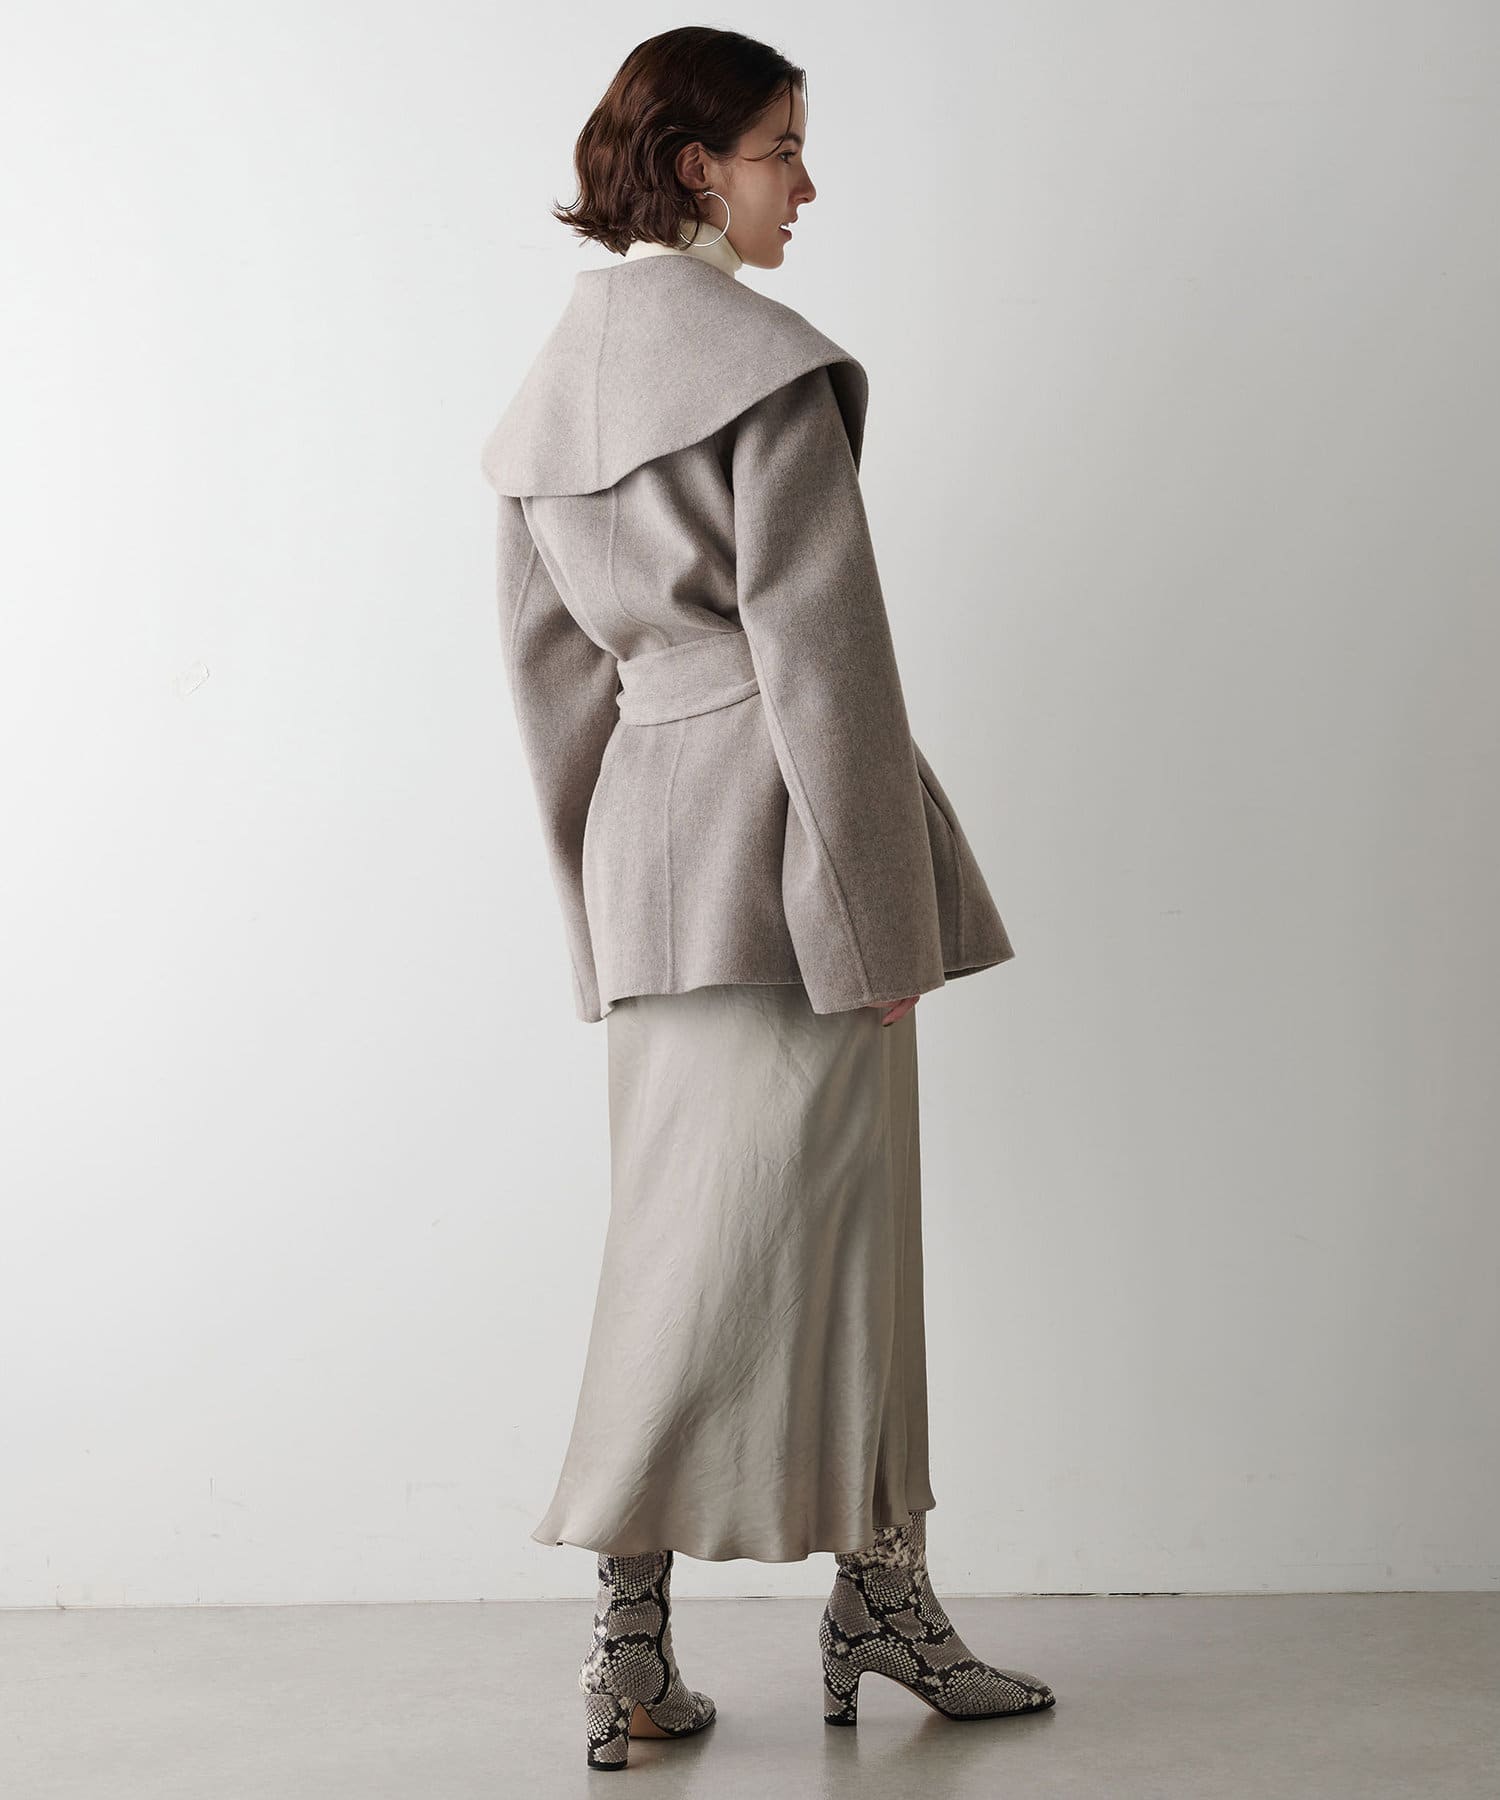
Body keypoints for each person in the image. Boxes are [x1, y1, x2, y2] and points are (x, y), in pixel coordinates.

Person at [479, 26, 1055, 1772]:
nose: (808, 184)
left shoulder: (548, 394)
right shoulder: (763, 371)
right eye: (782, 149)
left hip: (653, 859)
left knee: (676, 1244)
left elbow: (551, 689)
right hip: (793, 862)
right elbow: (825, 668)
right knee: (838, 1237)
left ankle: (646, 1646)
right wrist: (880, 920)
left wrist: (594, 914)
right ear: (695, 167)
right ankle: (867, 1600)